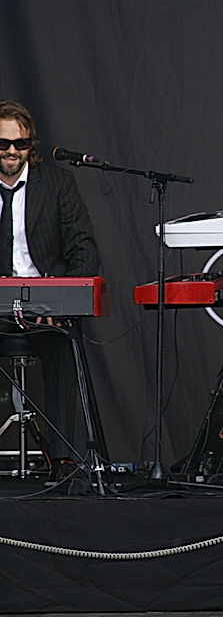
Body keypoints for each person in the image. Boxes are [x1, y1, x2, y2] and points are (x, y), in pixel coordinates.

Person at [0, 100, 100, 479]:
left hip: (45, 306)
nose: (11, 151)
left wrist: (59, 301)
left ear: (32, 145)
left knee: (62, 342)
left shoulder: (57, 183)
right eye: (3, 143)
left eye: (20, 144)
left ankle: (64, 461)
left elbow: (84, 249)